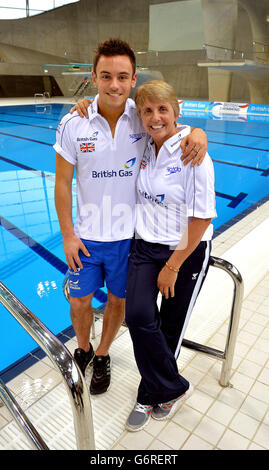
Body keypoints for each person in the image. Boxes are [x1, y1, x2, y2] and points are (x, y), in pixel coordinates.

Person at [54, 38, 208, 396]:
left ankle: (103, 354)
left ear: (133, 79)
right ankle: (84, 347)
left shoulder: (141, 119)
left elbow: (174, 128)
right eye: (106, 75)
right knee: (78, 300)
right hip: (87, 235)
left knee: (118, 302)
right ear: (93, 76)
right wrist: (67, 235)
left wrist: (199, 133)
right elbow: (62, 184)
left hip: (129, 237)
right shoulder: (72, 123)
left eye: (122, 77)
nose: (114, 85)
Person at [125, 80, 217, 431]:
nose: (155, 116)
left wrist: (173, 265)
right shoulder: (146, 143)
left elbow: (203, 216)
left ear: (176, 110)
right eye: (147, 110)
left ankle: (149, 395)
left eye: (163, 109)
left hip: (186, 251)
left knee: (169, 327)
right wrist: (82, 107)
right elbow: (111, 101)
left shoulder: (193, 152)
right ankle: (172, 387)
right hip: (146, 245)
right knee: (137, 317)